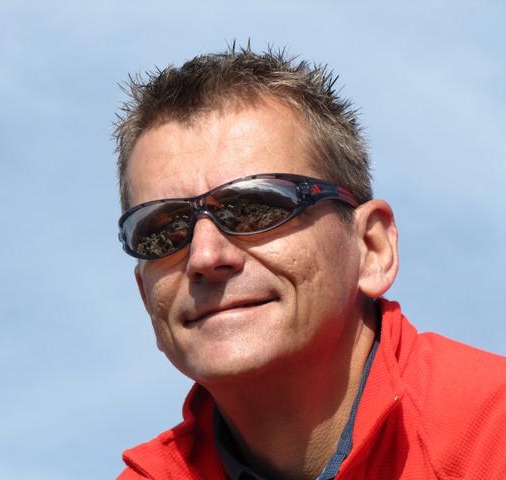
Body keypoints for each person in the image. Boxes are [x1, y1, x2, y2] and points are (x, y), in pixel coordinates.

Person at [112, 46, 506, 480]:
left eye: (256, 208)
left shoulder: (490, 437)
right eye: (163, 231)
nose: (205, 256)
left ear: (372, 248)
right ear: (145, 295)